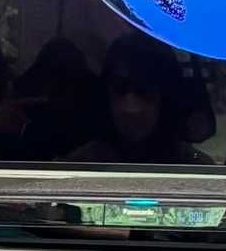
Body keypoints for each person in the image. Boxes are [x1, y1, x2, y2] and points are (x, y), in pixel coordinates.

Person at [67, 33, 213, 165]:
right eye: (119, 89)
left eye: (144, 90)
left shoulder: (197, 172)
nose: (130, 108)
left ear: (166, 98)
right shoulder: (79, 167)